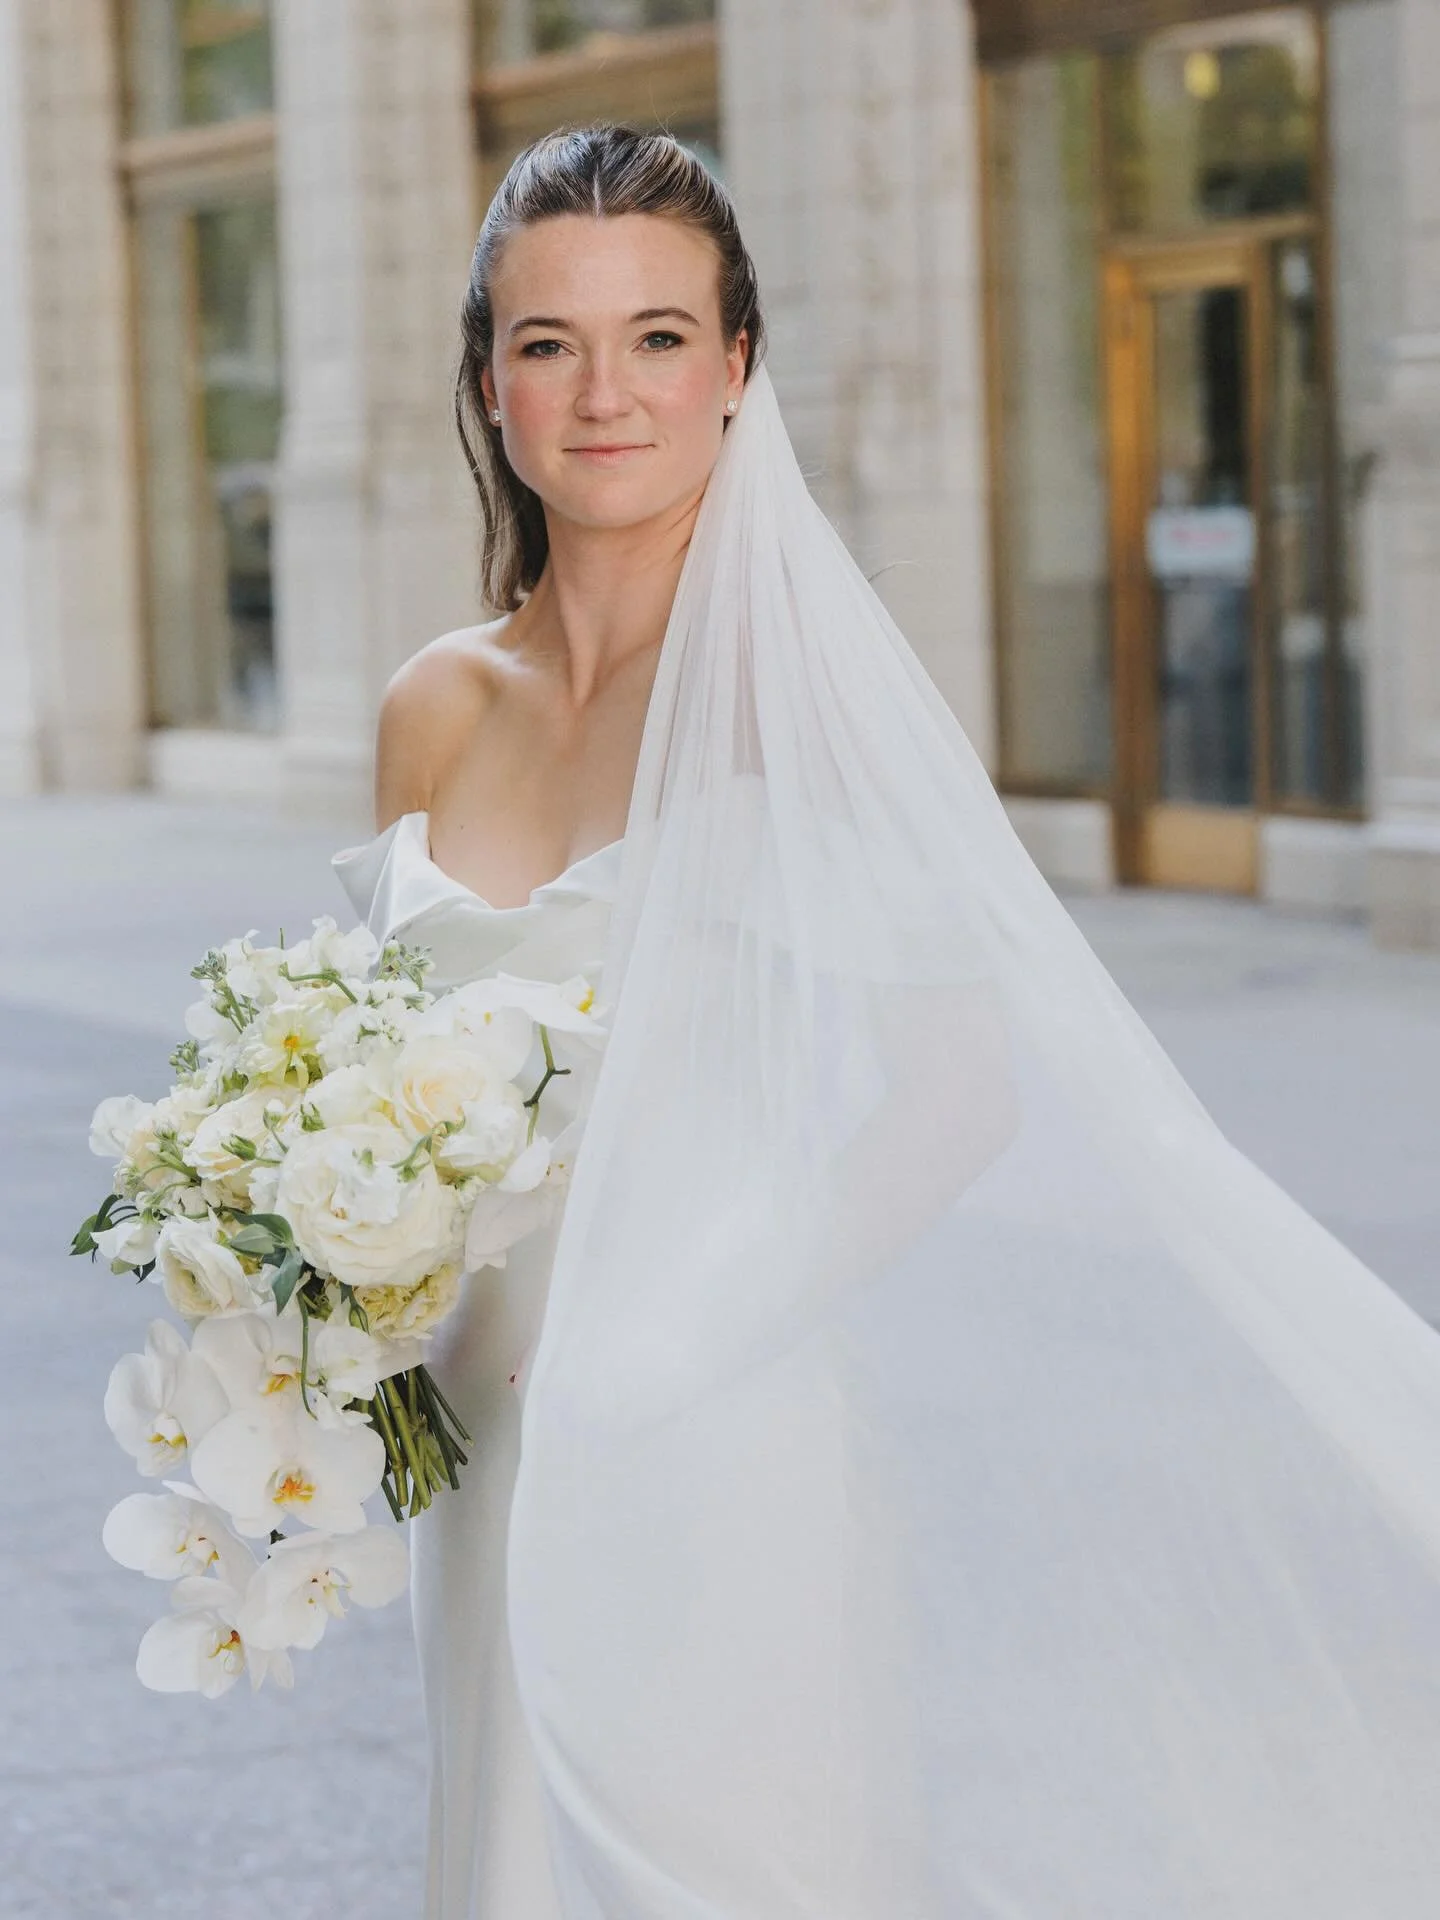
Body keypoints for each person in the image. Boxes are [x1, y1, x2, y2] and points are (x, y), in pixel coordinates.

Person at [333, 124, 1440, 1920]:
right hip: (475, 1428)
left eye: (660, 336)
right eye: (549, 343)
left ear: (738, 363)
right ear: (489, 380)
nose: (605, 391)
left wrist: (656, 1345)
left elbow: (949, 1093)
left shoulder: (797, 695)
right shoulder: (432, 712)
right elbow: (377, 1089)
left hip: (715, 1423)